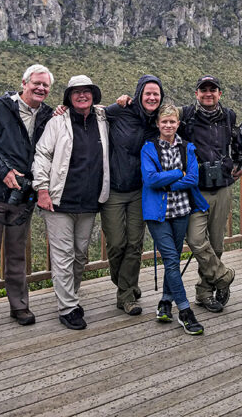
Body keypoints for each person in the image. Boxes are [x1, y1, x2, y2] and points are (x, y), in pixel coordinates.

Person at [0, 63, 54, 337]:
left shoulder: (48, 116)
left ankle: (19, 306)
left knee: (17, 255)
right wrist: (2, 171)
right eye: (36, 83)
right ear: (24, 83)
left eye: (45, 85)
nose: (40, 88)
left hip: (23, 198)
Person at [32, 75, 110, 330]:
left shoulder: (103, 119)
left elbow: (125, 110)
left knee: (80, 255)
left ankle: (71, 297)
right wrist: (41, 189)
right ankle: (67, 307)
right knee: (63, 255)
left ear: (93, 95)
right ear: (68, 97)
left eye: (86, 91)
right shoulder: (57, 122)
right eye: (76, 92)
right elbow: (42, 154)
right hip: (59, 202)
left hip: (89, 202)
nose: (82, 95)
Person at [141, 102, 210, 335]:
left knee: (174, 260)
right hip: (157, 215)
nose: (168, 125)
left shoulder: (187, 147)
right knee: (171, 259)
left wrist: (166, 180)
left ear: (178, 124)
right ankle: (185, 311)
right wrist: (176, 174)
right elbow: (150, 179)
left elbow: (193, 178)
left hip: (181, 211)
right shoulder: (148, 148)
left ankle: (164, 302)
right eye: (164, 121)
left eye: (172, 121)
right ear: (158, 124)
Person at [101, 75, 164, 315]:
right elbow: (92, 113)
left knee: (135, 244)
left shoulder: (157, 120)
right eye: (147, 93)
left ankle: (126, 296)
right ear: (139, 94)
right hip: (114, 189)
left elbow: (179, 117)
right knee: (117, 244)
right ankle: (127, 283)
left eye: (156, 94)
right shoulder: (120, 111)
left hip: (141, 190)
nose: (151, 97)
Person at [178, 75, 237, 313]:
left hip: (222, 186)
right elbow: (161, 121)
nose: (208, 94)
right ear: (197, 94)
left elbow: (237, 145)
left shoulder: (229, 116)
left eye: (213, 90)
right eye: (204, 90)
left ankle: (204, 292)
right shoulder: (186, 116)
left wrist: (238, 163)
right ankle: (224, 276)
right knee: (195, 239)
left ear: (219, 93)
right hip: (196, 187)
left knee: (217, 243)